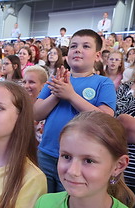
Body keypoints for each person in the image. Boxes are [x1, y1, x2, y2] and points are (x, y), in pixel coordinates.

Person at [34, 29, 116, 193]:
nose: (78, 50)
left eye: (86, 46)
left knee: (68, 203)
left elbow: (106, 118)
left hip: (79, 160)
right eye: (73, 46)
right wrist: (57, 95)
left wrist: (71, 95)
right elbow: (36, 113)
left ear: (97, 55)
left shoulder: (103, 83)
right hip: (47, 153)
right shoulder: (55, 79)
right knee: (41, 201)